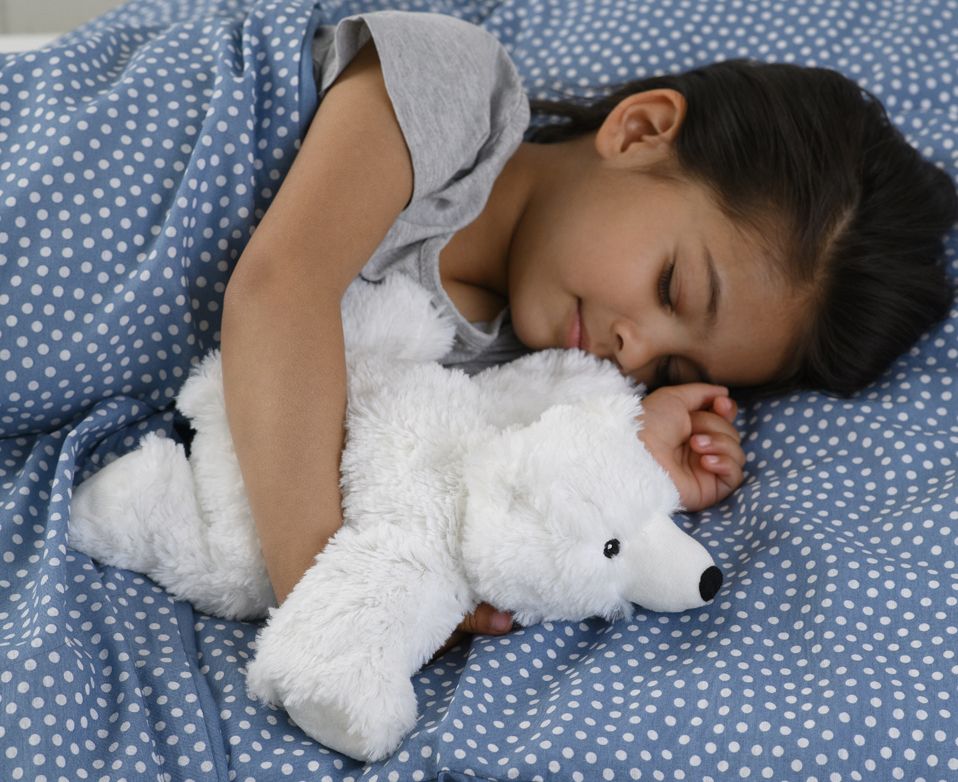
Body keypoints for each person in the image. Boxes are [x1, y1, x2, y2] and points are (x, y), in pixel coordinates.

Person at [219, 12, 958, 643]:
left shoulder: (512, 376)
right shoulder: (457, 91)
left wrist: (632, 460)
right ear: (640, 132)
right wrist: (335, 602)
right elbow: (280, 290)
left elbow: (438, 496)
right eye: (671, 287)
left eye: (670, 370)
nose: (636, 350)